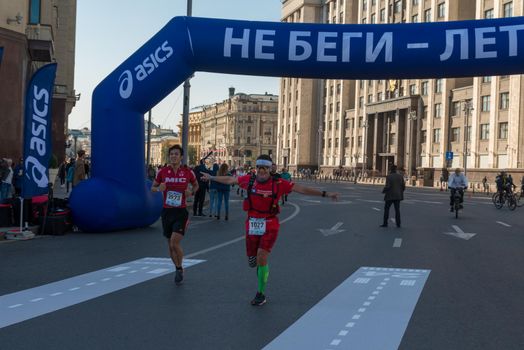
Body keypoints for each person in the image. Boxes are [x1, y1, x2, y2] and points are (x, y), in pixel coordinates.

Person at [201, 154, 339, 306]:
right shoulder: (249, 180)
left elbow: (302, 189)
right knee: (253, 261)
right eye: (260, 168)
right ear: (256, 168)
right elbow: (230, 180)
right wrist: (212, 178)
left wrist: (325, 194)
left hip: (270, 223)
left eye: (265, 168)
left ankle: (261, 293)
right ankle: (258, 267)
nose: (262, 171)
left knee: (262, 256)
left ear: (270, 169)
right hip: (252, 223)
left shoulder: (279, 183)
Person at [151, 145, 198, 285]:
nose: (173, 156)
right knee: (170, 245)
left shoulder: (188, 172)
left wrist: (192, 192)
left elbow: (196, 185)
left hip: (181, 211)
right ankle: (178, 268)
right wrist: (159, 188)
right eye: (171, 154)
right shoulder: (163, 172)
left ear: (181, 156)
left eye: (176, 154)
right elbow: (152, 188)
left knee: (174, 242)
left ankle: (180, 267)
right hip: (167, 211)